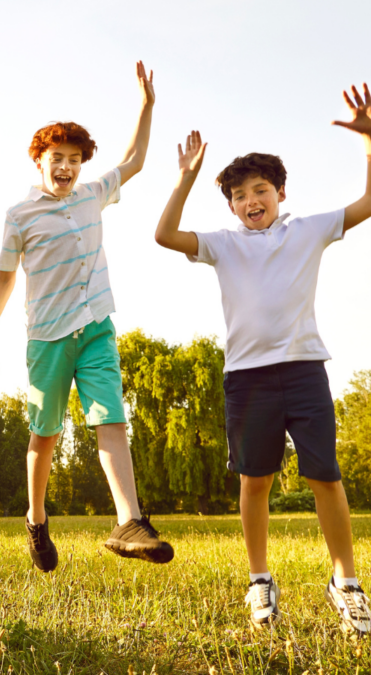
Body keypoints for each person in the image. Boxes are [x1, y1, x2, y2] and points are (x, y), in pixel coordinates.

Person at [151, 83, 371, 635]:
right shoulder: (224, 243)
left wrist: (368, 142)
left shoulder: (309, 229)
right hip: (247, 380)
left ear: (279, 192)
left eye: (261, 190)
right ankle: (259, 581)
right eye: (240, 195)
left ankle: (346, 584)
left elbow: (368, 203)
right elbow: (163, 234)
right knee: (255, 481)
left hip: (304, 370)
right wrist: (184, 178)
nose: (252, 201)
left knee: (325, 476)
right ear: (230, 205)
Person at [0, 62, 174, 572]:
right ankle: (36, 520)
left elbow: (134, 160)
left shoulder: (91, 195)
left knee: (111, 418)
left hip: (97, 327)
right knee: (45, 435)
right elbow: (4, 276)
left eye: (74, 160)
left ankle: (129, 520)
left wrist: (147, 105)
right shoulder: (20, 215)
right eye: (56, 158)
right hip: (47, 336)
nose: (66, 167)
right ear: (38, 161)